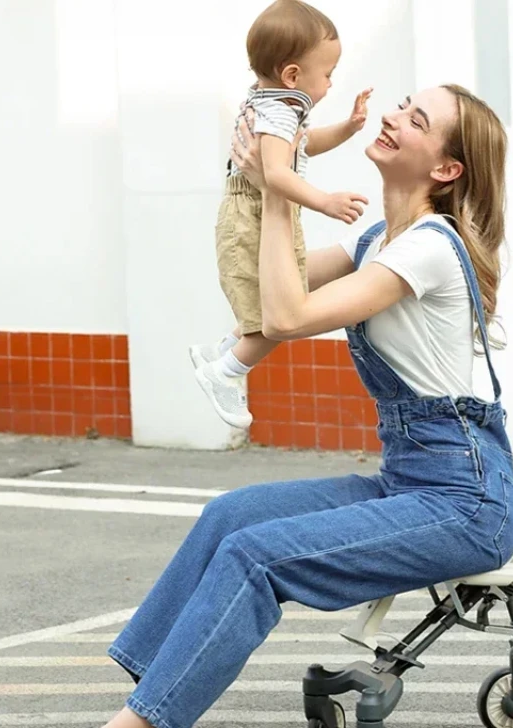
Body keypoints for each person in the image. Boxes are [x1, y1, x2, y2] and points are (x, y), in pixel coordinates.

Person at [0, 84, 513, 728]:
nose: (393, 116)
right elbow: (261, 291)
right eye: (402, 103)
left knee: (256, 556)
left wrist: (281, 192)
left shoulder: (426, 250)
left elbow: (289, 314)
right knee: (232, 517)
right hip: (412, 479)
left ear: (446, 170)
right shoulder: (376, 241)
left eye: (416, 119)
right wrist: (258, 180)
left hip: (467, 499)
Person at [191, 0, 372, 430]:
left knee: (266, 300)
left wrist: (347, 127)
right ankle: (226, 372)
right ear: (293, 74)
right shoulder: (279, 110)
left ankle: (217, 352)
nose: (330, 83)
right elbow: (275, 172)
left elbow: (302, 146)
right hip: (255, 213)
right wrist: (324, 201)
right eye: (327, 74)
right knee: (277, 315)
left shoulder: (275, 103)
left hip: (256, 211)